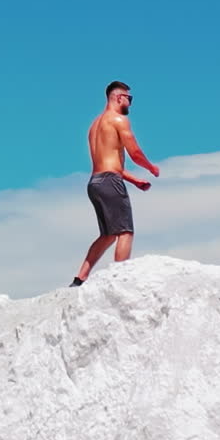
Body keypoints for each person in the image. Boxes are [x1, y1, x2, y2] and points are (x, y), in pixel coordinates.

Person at [70, 80, 160, 286]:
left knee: (108, 234)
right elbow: (135, 153)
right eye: (130, 98)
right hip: (110, 182)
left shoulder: (94, 126)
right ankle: (120, 279)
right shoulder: (118, 120)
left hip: (95, 183)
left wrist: (135, 180)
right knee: (125, 231)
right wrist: (151, 168)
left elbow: (108, 164)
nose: (131, 103)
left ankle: (79, 279)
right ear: (119, 97)